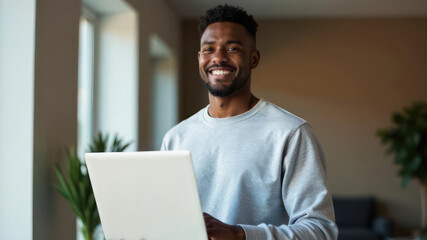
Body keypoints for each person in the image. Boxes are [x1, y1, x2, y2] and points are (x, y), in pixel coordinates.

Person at [161, 4, 338, 240]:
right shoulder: (176, 138)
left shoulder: (290, 133)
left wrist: (239, 234)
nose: (218, 58)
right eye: (208, 49)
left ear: (253, 58)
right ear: (199, 59)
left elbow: (321, 230)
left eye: (232, 48)